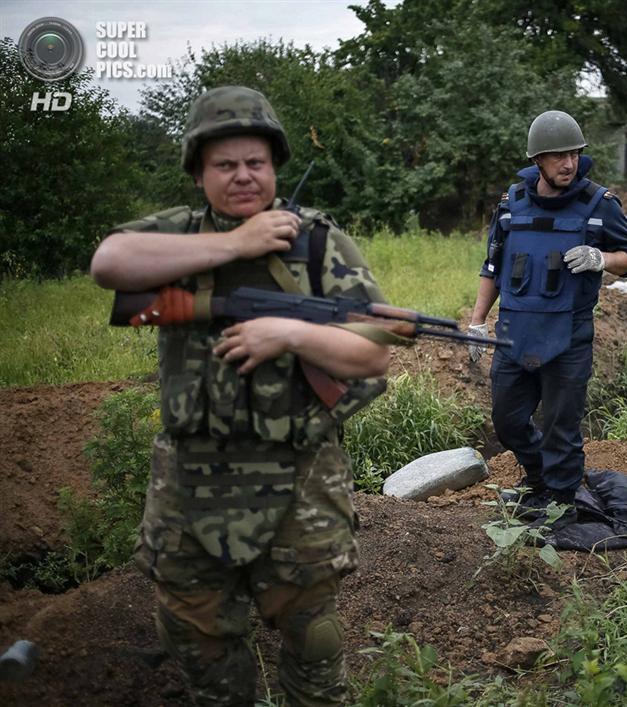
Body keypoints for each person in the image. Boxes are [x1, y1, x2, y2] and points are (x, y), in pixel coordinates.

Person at [91, 86, 400, 706]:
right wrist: (238, 243)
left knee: (313, 641)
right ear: (199, 172)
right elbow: (109, 263)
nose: (242, 176)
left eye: (255, 163)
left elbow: (374, 349)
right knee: (196, 639)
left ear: (275, 166)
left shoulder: (316, 242)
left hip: (298, 480)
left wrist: (287, 332)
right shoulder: (176, 235)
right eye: (225, 165)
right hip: (190, 480)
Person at [467, 110, 627, 524]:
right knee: (507, 421)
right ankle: (540, 478)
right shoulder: (511, 205)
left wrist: (602, 257)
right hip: (514, 331)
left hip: (569, 334)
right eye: (558, 156)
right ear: (538, 161)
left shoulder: (600, 206)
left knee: (561, 426)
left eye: (575, 154)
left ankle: (562, 503)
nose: (569, 163)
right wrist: (476, 322)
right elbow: (492, 266)